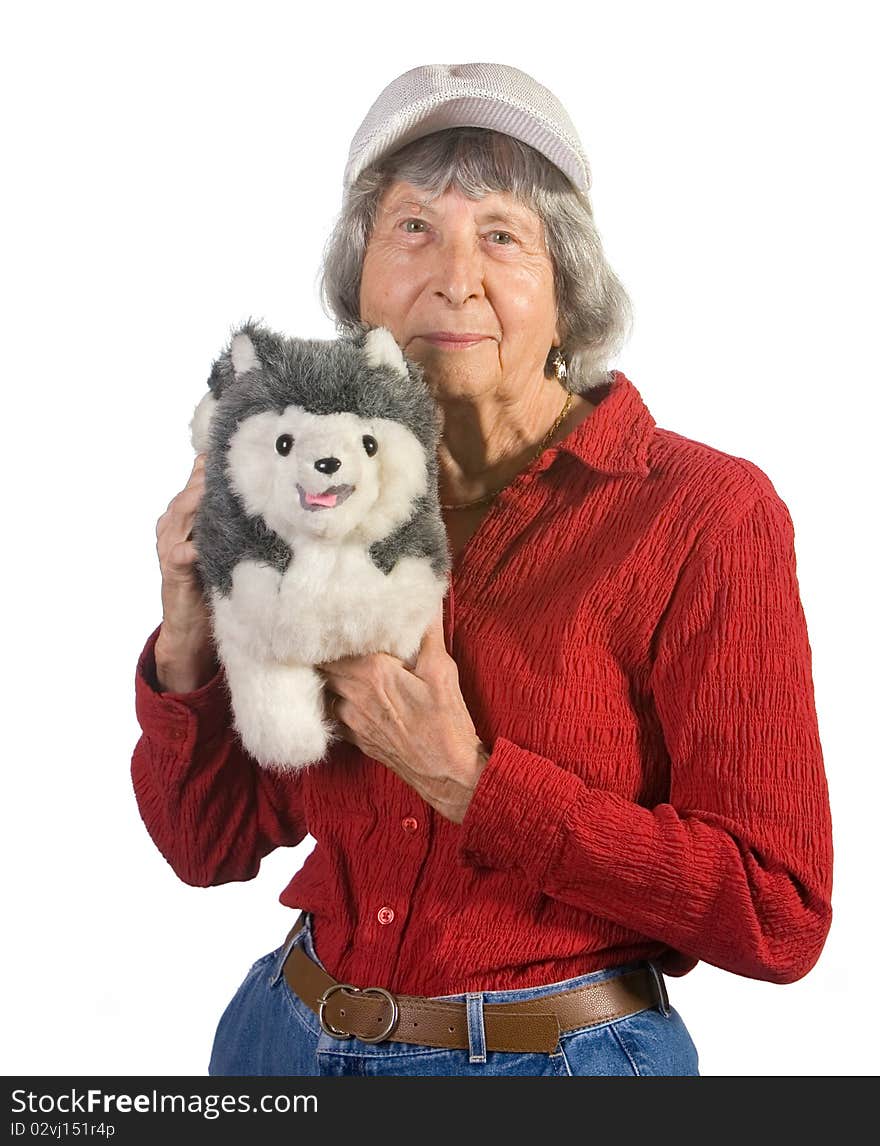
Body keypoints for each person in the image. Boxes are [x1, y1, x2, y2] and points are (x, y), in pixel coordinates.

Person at [131, 63, 834, 1077]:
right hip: (280, 1041)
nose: (453, 276)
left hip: (554, 1065)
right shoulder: (317, 492)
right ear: (358, 282)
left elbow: (778, 914)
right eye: (411, 228)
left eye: (501, 235)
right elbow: (208, 844)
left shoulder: (703, 514)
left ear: (566, 288)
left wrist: (472, 785)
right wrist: (188, 637)